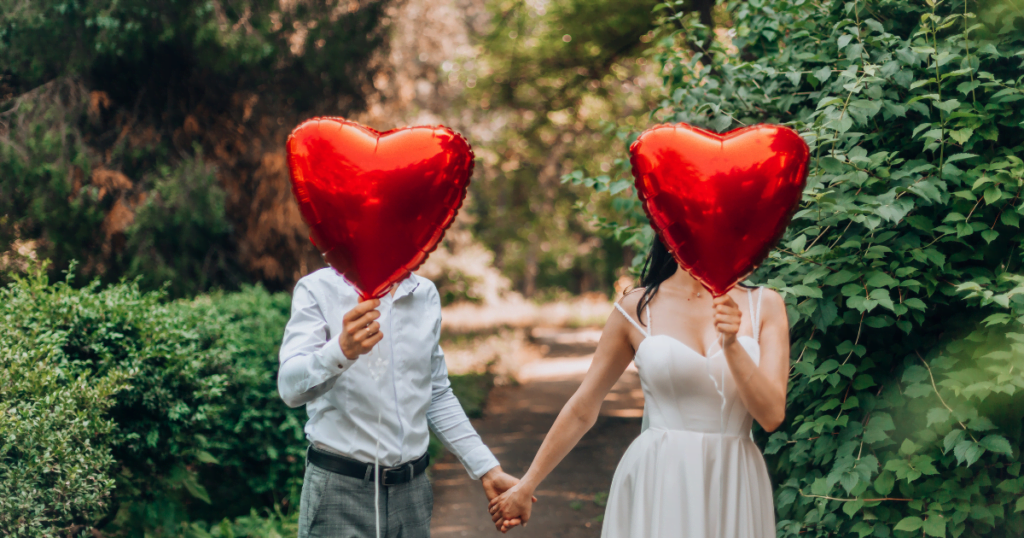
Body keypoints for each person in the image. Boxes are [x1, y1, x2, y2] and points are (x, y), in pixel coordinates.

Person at [488, 237, 790, 537]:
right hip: (660, 478)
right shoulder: (636, 308)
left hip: (734, 478)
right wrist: (527, 484)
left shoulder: (764, 305)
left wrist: (732, 345)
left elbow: (772, 415)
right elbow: (583, 406)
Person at [278, 268, 523, 538]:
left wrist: (487, 469)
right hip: (338, 493)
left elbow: (436, 393)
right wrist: (340, 351)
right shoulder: (318, 287)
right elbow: (289, 388)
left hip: (413, 496)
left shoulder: (425, 293)